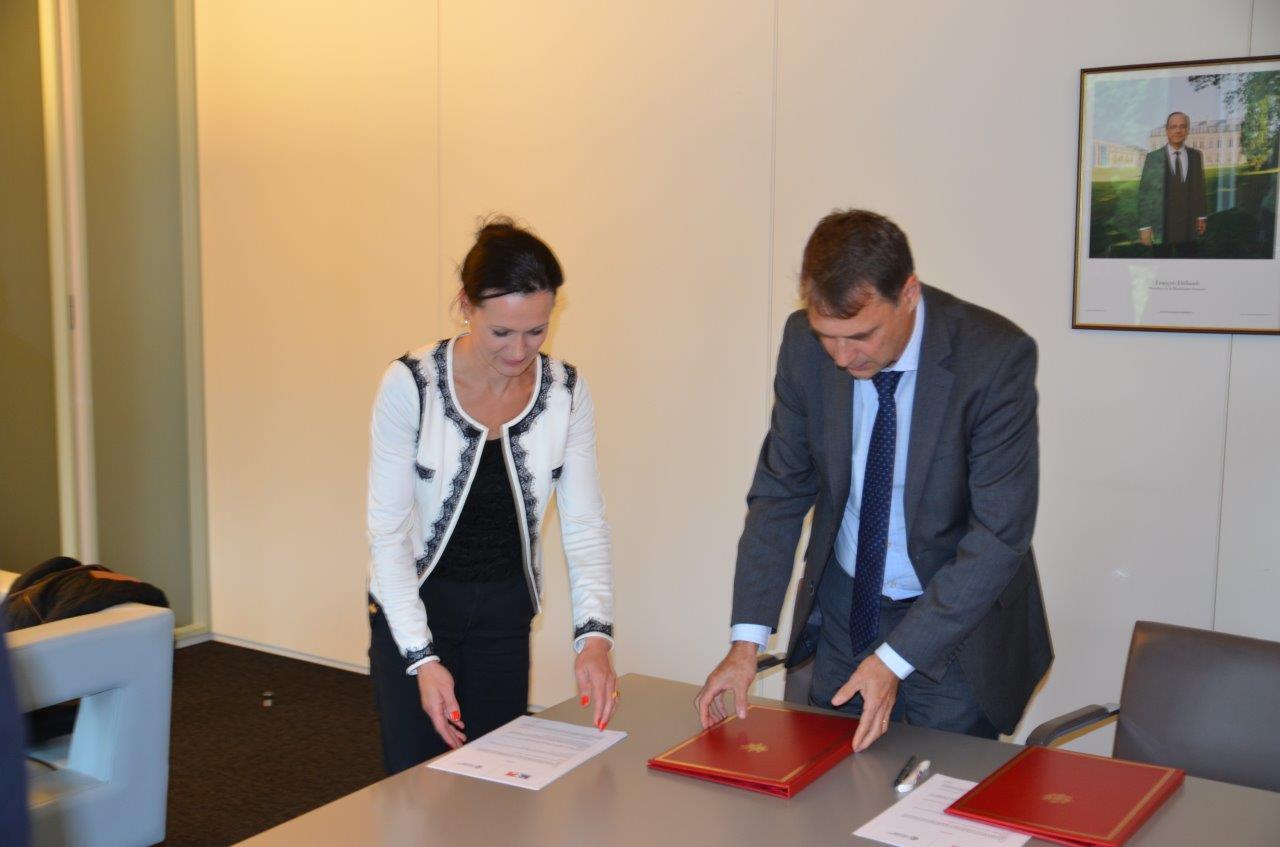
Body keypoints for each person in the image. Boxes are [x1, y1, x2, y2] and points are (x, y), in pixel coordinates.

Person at [696, 210, 1051, 752]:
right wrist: (745, 643)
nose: (843, 357)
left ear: (908, 294)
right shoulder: (803, 344)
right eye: (828, 337)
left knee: (936, 789)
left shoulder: (993, 358)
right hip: (847, 609)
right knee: (830, 780)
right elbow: (780, 492)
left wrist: (894, 660)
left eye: (861, 335)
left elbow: (999, 535)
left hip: (956, 628)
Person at [366, 218, 617, 774]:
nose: (519, 350)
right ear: (466, 305)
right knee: (417, 783)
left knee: (499, 780)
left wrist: (594, 637)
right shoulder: (411, 384)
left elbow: (584, 523)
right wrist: (421, 657)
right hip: (416, 604)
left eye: (537, 331)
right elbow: (388, 533)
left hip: (505, 608)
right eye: (501, 332)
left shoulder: (566, 392)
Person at [1137, 111, 1207, 258]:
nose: (1178, 130)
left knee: (1188, 264)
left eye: (1182, 126)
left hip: (1189, 226)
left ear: (1187, 130)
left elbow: (1199, 188)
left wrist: (1201, 215)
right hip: (1161, 225)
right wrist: (1145, 226)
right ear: (1167, 130)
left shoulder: (1196, 156)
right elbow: (1145, 194)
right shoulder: (1153, 158)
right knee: (1162, 265)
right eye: (1173, 127)